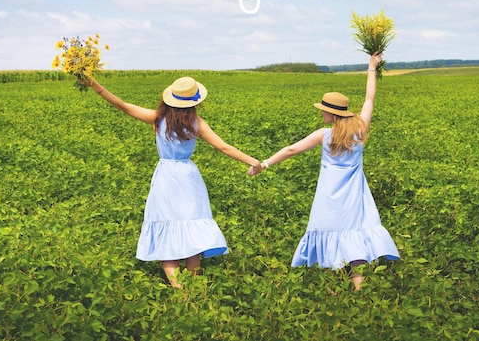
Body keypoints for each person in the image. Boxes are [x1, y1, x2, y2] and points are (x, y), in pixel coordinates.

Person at [80, 76, 263, 288]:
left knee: (166, 230)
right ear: (195, 102)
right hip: (188, 177)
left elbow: (123, 105)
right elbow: (224, 147)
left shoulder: (158, 118)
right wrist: (254, 162)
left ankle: (179, 289)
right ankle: (192, 288)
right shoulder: (198, 123)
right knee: (191, 229)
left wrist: (94, 84)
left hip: (165, 177)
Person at [249, 52, 399, 290]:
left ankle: (330, 290)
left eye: (324, 110)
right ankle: (359, 290)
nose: (321, 113)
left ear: (332, 113)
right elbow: (370, 100)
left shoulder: (324, 134)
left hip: (329, 196)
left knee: (328, 233)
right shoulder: (360, 128)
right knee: (353, 234)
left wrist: (264, 164)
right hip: (354, 194)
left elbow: (291, 149)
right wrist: (372, 67)